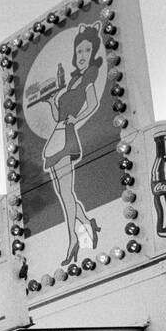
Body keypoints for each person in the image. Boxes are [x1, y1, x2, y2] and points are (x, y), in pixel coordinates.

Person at [41, 24, 104, 266]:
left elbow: (94, 103)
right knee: (62, 193)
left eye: (86, 50)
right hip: (56, 137)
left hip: (66, 138)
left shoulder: (89, 77)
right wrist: (51, 103)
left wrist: (76, 119)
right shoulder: (72, 81)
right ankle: (88, 223)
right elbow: (58, 116)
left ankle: (73, 242)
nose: (81, 55)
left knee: (67, 194)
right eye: (79, 51)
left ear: (92, 52)